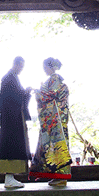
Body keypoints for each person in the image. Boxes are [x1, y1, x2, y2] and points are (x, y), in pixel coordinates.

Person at [29, 57, 71, 187]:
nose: (44, 70)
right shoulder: (55, 80)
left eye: (45, 67)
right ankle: (57, 176)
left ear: (49, 67)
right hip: (56, 119)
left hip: (54, 120)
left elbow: (47, 96)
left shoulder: (54, 79)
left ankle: (61, 176)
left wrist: (36, 92)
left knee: (56, 146)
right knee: (55, 147)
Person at [0, 56, 32, 189]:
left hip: (14, 118)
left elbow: (18, 96)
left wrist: (25, 93)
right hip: (10, 118)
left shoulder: (12, 78)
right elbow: (12, 98)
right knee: (11, 146)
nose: (21, 70)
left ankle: (10, 177)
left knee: (14, 146)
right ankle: (9, 177)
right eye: (20, 67)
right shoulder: (8, 78)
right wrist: (25, 93)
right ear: (15, 64)